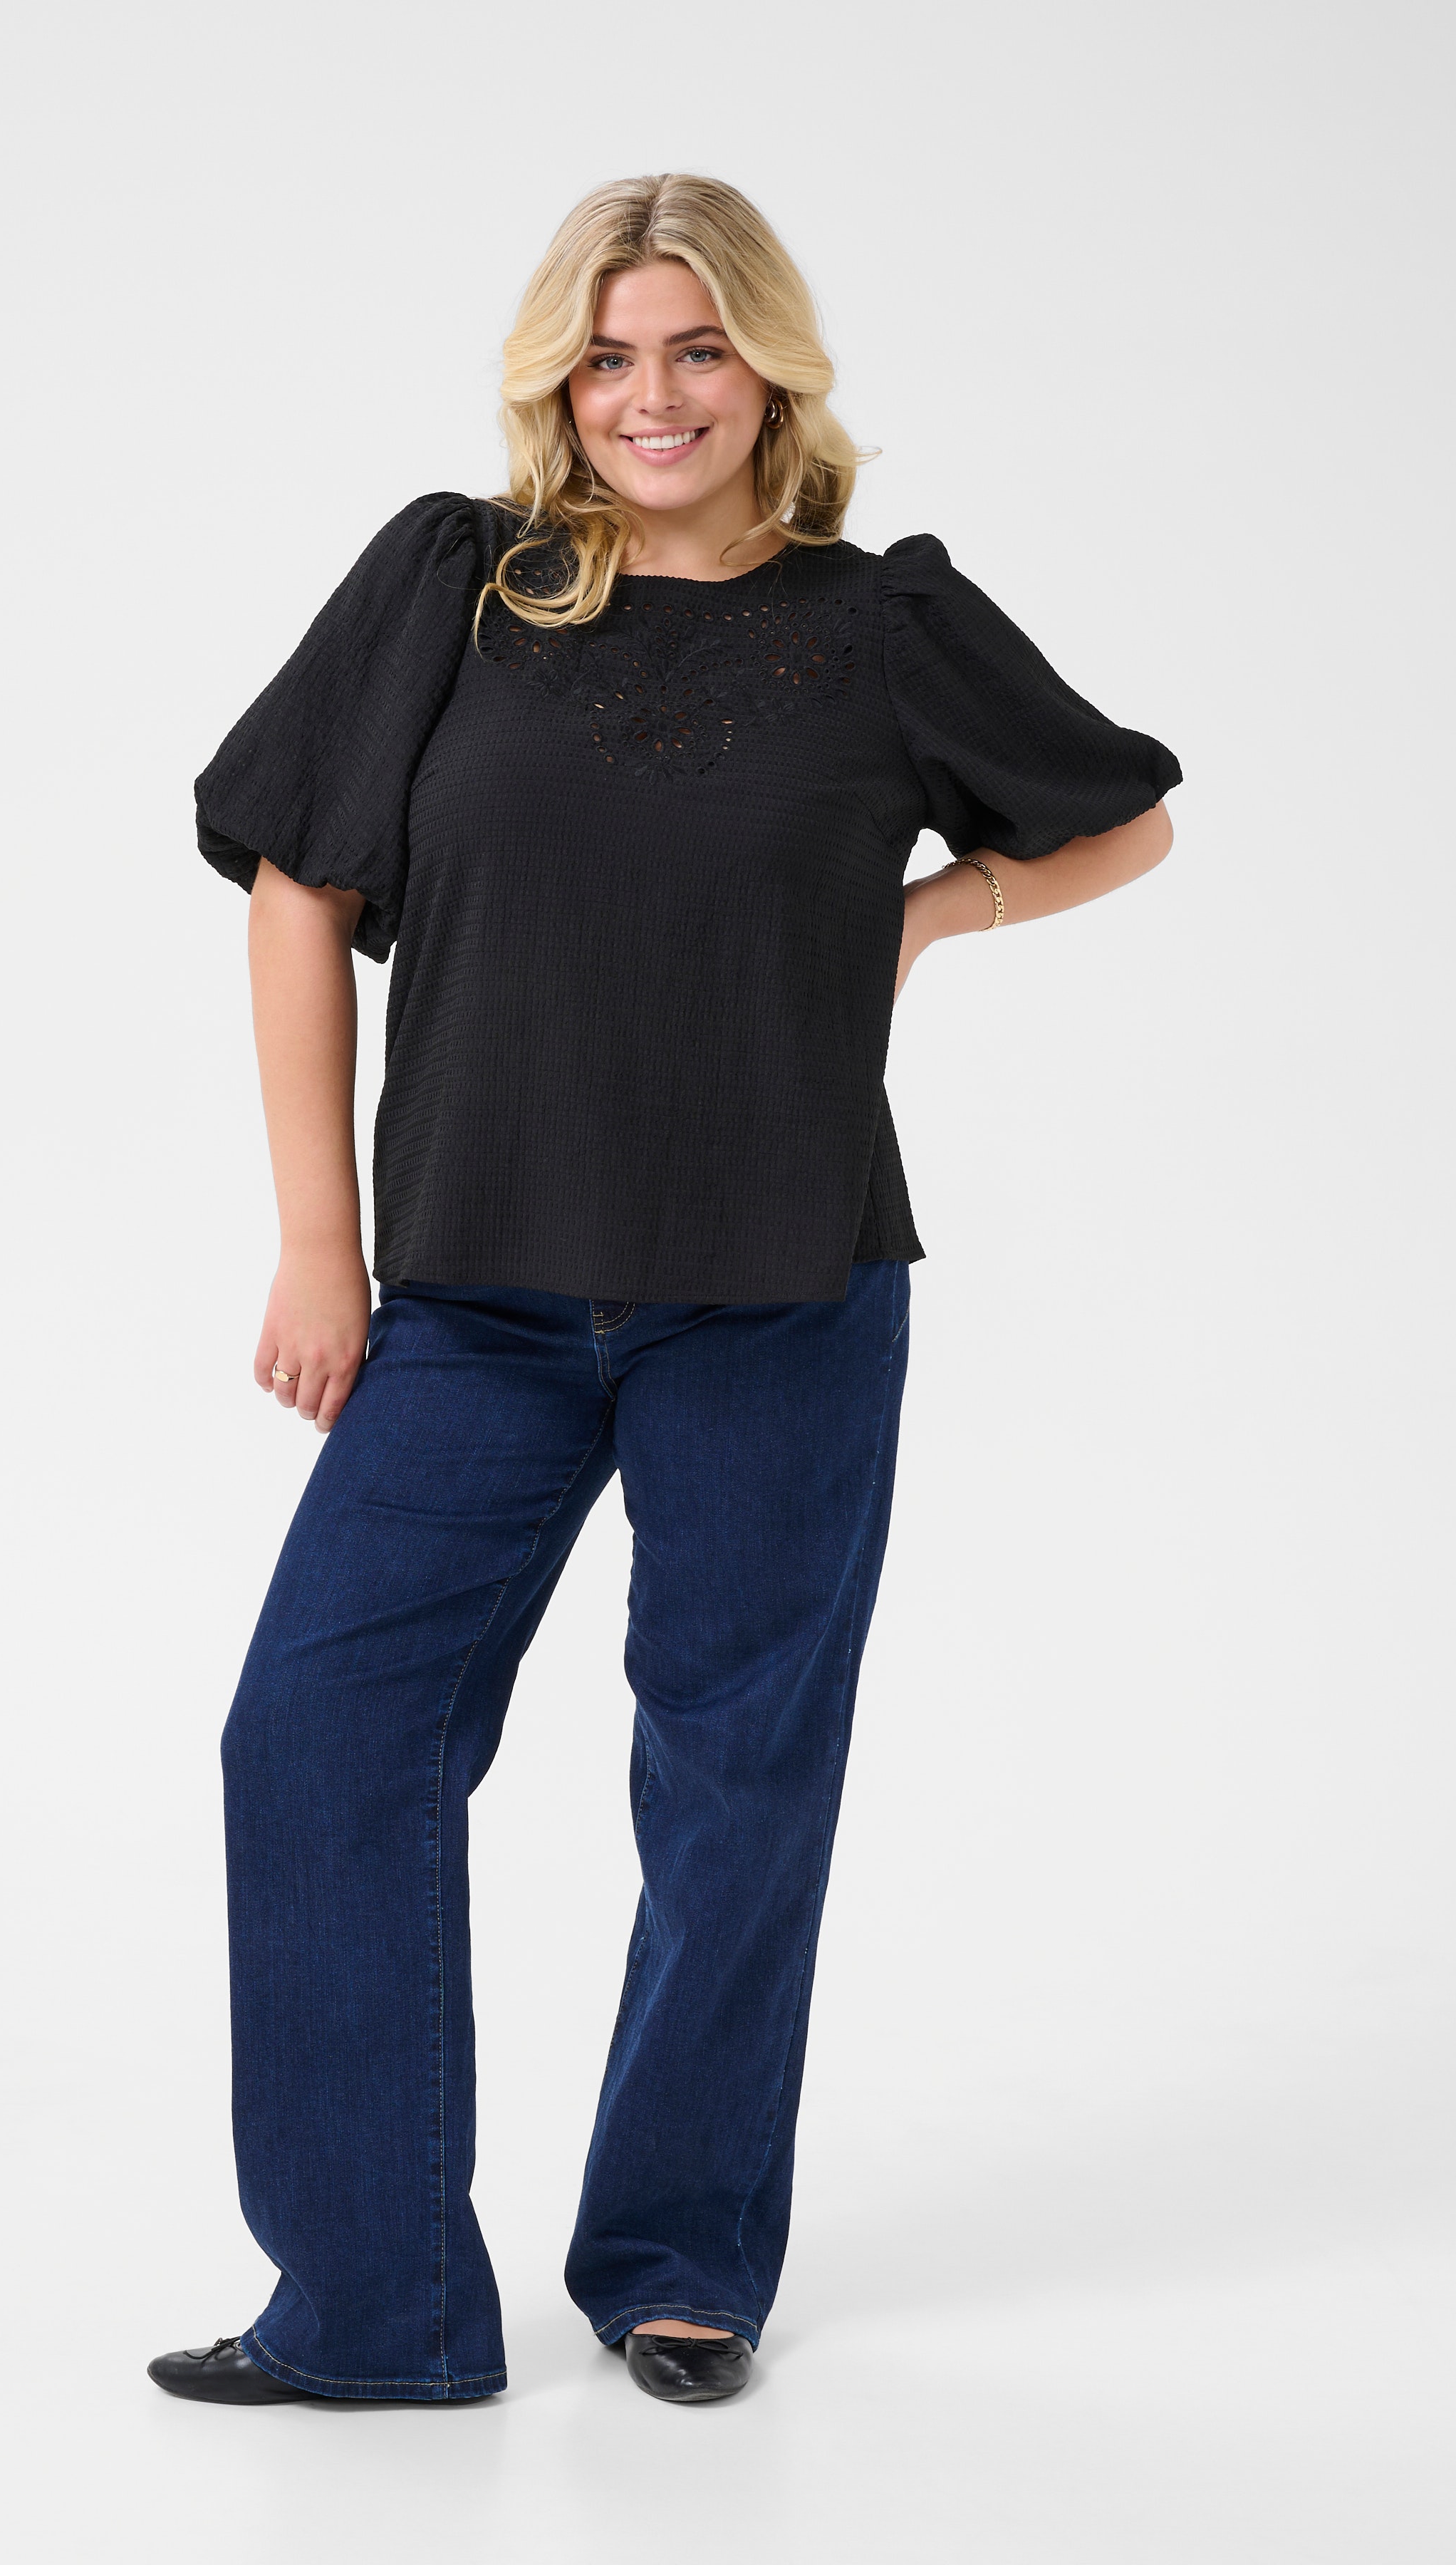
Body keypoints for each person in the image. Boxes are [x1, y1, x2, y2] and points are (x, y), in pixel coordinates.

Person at [150, 172, 1180, 2411]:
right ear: (558, 376)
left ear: (770, 369)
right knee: (315, 1734)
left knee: (735, 1781)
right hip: (477, 1300)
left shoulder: (881, 624)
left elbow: (1124, 819)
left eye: (698, 346)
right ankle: (379, 2310)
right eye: (609, 353)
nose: (652, 394)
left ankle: (683, 2262)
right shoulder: (457, 584)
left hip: (784, 1286)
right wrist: (321, 1243)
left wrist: (924, 918)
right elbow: (297, 888)